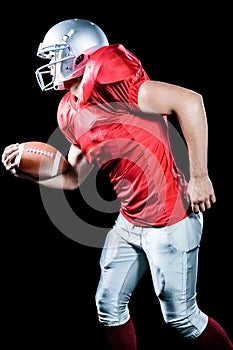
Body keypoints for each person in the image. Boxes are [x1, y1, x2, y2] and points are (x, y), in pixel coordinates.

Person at [2, 18, 232, 349]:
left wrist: (199, 175)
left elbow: (190, 102)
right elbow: (71, 177)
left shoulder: (117, 84)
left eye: (56, 56)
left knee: (182, 319)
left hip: (171, 218)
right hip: (129, 221)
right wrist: (28, 172)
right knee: (108, 309)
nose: (50, 65)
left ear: (80, 56)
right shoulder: (70, 110)